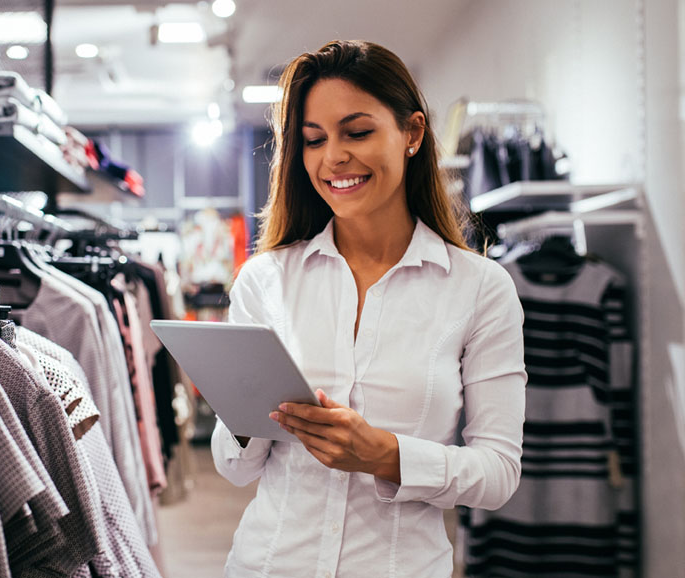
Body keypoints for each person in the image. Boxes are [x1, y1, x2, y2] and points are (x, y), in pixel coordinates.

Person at [211, 40, 527, 578]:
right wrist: (247, 411)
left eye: (357, 132)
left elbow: (497, 474)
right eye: (314, 140)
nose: (333, 157)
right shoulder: (267, 280)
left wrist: (385, 454)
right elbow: (234, 468)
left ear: (412, 134)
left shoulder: (480, 288)